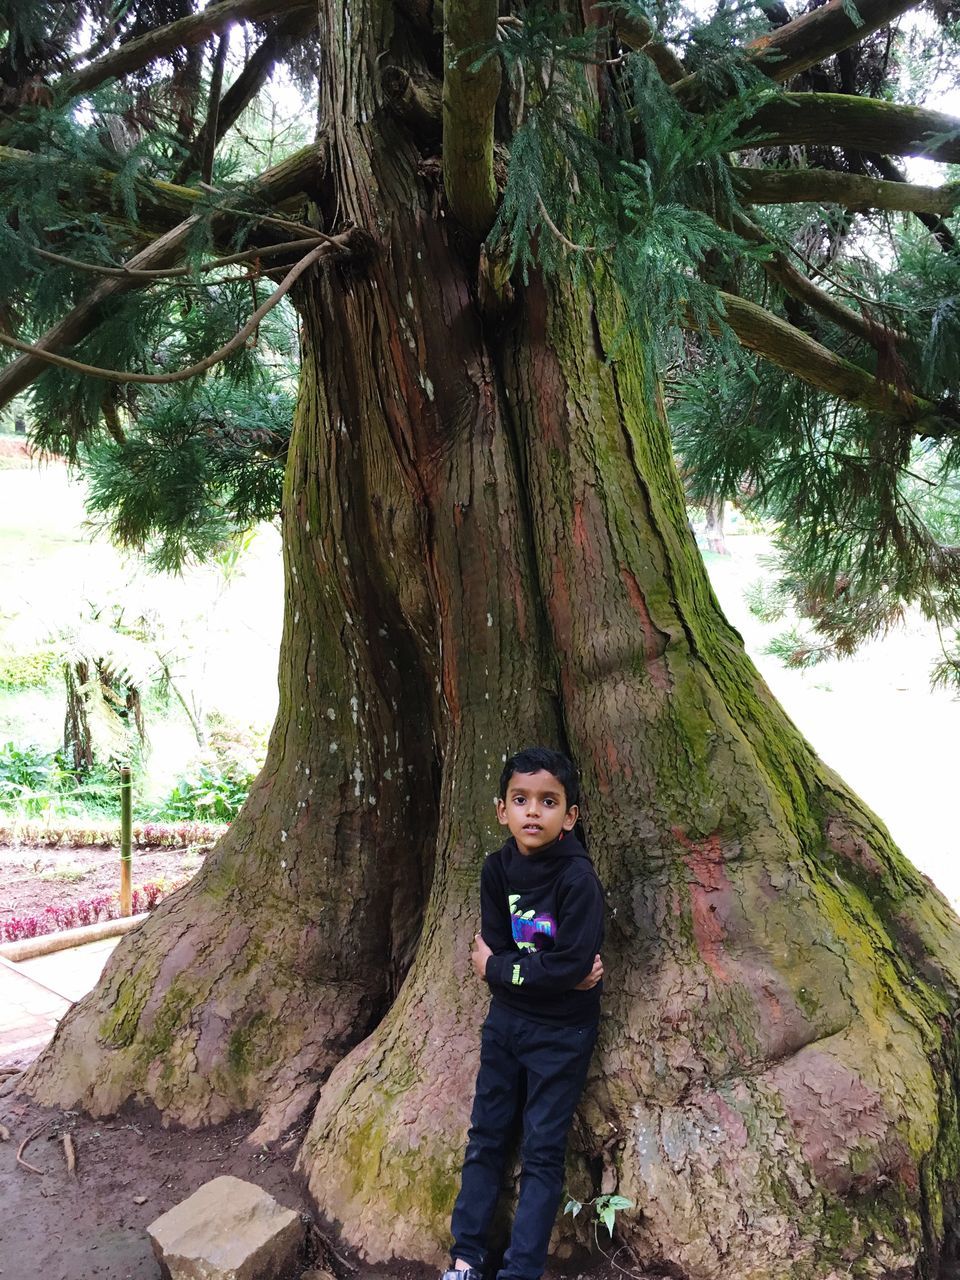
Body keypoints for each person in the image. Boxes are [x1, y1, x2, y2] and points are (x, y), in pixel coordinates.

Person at [443, 745, 605, 1280]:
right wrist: (546, 973)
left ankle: (521, 1271)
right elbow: (505, 952)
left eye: (548, 801)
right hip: (506, 1027)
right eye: (521, 799)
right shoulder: (497, 870)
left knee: (541, 1151)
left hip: (562, 1035)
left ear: (570, 815)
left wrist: (506, 970)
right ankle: (466, 1257)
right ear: (502, 810)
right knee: (486, 1136)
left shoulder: (577, 880)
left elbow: (555, 963)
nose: (533, 811)